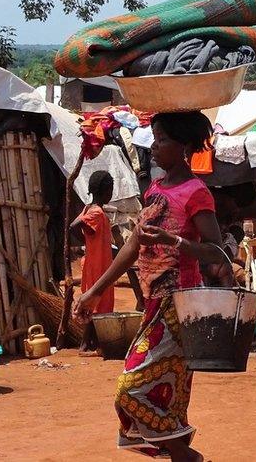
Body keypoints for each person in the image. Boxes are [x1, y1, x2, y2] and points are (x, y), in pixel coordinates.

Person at [73, 111, 230, 462]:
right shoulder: (155, 189)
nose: (154, 147)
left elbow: (215, 249)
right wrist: (94, 290)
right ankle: (180, 455)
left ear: (184, 147)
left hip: (180, 308)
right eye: (154, 139)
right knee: (169, 394)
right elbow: (133, 247)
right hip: (154, 304)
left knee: (130, 390)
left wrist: (174, 240)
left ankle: (183, 453)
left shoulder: (196, 192)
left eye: (162, 140)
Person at [70, 170, 116, 353]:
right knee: (99, 303)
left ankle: (91, 342)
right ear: (104, 190)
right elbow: (74, 226)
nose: (111, 194)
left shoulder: (88, 208)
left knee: (93, 303)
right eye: (110, 190)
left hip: (95, 262)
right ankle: (87, 343)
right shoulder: (96, 212)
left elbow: (78, 225)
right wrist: (86, 242)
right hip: (99, 266)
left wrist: (88, 241)